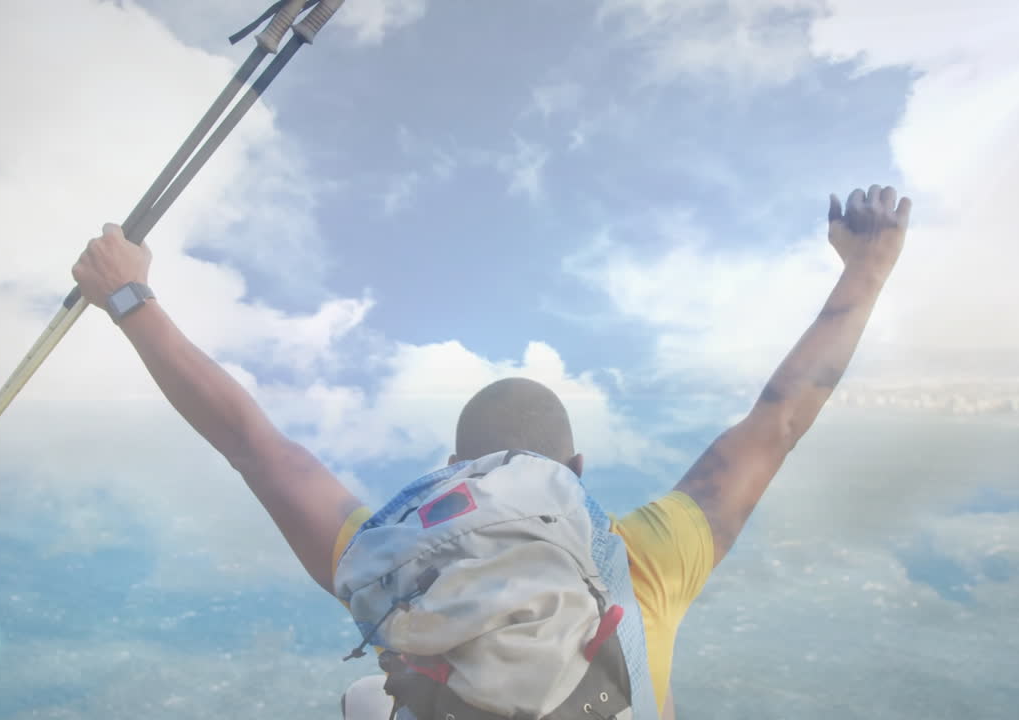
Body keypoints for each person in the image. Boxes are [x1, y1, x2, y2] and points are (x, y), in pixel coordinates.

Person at [72, 185, 911, 718]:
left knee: (364, 697)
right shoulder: (650, 558)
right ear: (575, 474)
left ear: (452, 470)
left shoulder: (399, 555)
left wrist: (128, 294)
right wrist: (867, 267)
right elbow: (779, 420)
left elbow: (256, 447)